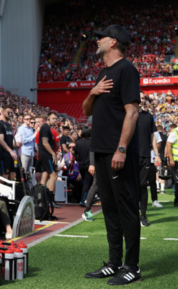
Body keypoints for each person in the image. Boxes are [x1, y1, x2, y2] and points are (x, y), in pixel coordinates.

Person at [82, 25, 141, 284]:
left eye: (100, 38)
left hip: (118, 153)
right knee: (109, 209)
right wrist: (92, 92)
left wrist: (121, 148)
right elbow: (86, 111)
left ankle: (132, 267)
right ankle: (115, 263)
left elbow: (132, 112)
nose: (96, 42)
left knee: (126, 209)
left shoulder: (126, 69)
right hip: (101, 152)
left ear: (113, 42)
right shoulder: (103, 73)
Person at [137, 102, 163, 226]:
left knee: (143, 186)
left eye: (143, 98)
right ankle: (129, 215)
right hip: (129, 156)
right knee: (129, 186)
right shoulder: (126, 113)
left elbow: (153, 137)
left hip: (145, 156)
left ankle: (143, 216)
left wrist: (157, 154)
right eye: (139, 97)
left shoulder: (148, 116)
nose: (141, 100)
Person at [38, 113, 60, 208]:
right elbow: (45, 142)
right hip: (46, 156)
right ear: (48, 118)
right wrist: (53, 153)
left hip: (43, 156)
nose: (55, 120)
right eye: (53, 118)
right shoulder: (46, 128)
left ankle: (41, 199)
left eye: (56, 119)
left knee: (45, 176)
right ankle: (49, 199)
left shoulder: (47, 128)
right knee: (54, 175)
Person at [0, 106, 17, 181]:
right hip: (4, 154)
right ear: (2, 112)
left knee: (13, 175)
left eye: (11, 113)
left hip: (11, 154)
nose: (10, 114)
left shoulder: (9, 125)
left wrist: (13, 152)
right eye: (8, 112)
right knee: (4, 176)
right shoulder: (0, 125)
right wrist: (11, 151)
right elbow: (1, 141)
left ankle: (11, 192)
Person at [16, 114, 37, 185]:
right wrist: (33, 136)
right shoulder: (21, 128)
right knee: (24, 171)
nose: (29, 120)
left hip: (31, 152)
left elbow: (32, 142)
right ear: (24, 120)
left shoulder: (30, 129)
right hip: (24, 152)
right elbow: (23, 140)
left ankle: (29, 188)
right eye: (27, 119)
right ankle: (23, 187)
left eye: (30, 119)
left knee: (29, 173)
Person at [75, 129, 92, 206]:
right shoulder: (91, 142)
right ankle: (83, 200)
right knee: (87, 183)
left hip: (81, 165)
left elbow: (75, 153)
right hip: (89, 165)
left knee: (86, 182)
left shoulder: (78, 142)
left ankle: (86, 198)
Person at [164, 124, 178, 207]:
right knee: (177, 182)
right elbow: (168, 144)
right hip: (176, 161)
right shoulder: (175, 132)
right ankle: (177, 201)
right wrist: (171, 159)